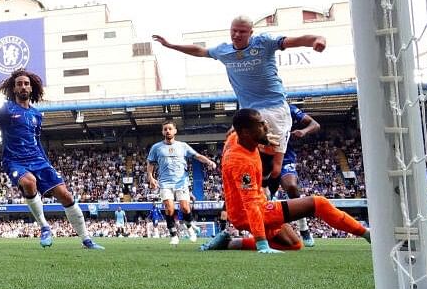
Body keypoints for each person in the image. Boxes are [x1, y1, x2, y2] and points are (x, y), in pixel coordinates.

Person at [152, 16, 326, 184]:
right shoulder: (224, 51)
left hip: (275, 110)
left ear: (251, 32)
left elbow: (295, 40)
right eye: (233, 30)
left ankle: (265, 188)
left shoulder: (264, 43)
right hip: (248, 113)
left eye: (242, 31)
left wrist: (316, 39)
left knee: (275, 168)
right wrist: (170, 45)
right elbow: (199, 51)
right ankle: (251, 190)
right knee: (239, 151)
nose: (236, 35)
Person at [0, 68, 103, 250]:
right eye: (19, 84)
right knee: (29, 182)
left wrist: (47, 163)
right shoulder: (6, 109)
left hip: (39, 160)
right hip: (15, 160)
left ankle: (86, 240)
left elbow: (37, 141)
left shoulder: (36, 115)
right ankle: (44, 227)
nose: (23, 87)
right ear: (14, 89)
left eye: (26, 84)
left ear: (31, 88)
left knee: (66, 195)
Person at [200, 109, 369, 253]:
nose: (266, 126)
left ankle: (228, 244)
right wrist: (261, 243)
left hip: (250, 207)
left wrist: (263, 140)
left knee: (293, 245)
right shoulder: (241, 162)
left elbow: (232, 133)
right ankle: (367, 234)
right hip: (251, 212)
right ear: (246, 132)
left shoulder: (235, 138)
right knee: (318, 203)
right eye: (260, 124)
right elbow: (251, 205)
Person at [147, 120, 217, 245]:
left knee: (185, 207)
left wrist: (209, 162)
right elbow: (150, 163)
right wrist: (151, 177)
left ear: (175, 131)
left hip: (181, 182)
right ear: (162, 131)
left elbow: (197, 156)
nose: (167, 131)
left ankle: (189, 227)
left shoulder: (183, 146)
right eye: (165, 129)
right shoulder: (156, 147)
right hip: (165, 182)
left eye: (170, 128)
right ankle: (173, 235)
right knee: (169, 208)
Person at [265, 104, 321, 247]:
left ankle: (304, 228)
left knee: (291, 186)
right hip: (263, 158)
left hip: (285, 157)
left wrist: (304, 131)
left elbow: (315, 124)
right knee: (265, 197)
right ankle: (270, 233)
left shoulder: (288, 108)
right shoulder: (255, 108)